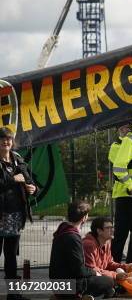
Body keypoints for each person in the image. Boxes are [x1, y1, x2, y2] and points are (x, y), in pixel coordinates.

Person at [49, 200, 115, 299]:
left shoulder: (60, 232)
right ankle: (79, 296)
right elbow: (79, 270)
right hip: (70, 285)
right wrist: (94, 273)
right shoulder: (73, 237)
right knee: (108, 281)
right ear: (84, 218)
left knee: (103, 282)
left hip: (56, 283)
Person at [0, 127, 36, 300]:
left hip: (14, 215)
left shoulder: (18, 159)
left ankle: (13, 295)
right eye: (2, 139)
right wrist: (13, 179)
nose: (6, 142)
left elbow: (29, 180)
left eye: (8, 139)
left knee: (11, 256)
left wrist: (32, 188)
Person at [108, 122, 132, 262]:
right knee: (120, 234)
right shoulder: (115, 146)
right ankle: (114, 263)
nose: (128, 130)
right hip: (123, 195)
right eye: (125, 128)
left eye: (130, 128)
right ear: (119, 130)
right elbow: (126, 162)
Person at [83, 217, 132, 281]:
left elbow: (109, 263)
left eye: (112, 227)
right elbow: (93, 270)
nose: (112, 230)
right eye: (108, 228)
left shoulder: (107, 242)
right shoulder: (89, 245)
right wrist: (115, 275)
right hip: (82, 281)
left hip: (98, 278)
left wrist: (125, 267)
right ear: (99, 231)